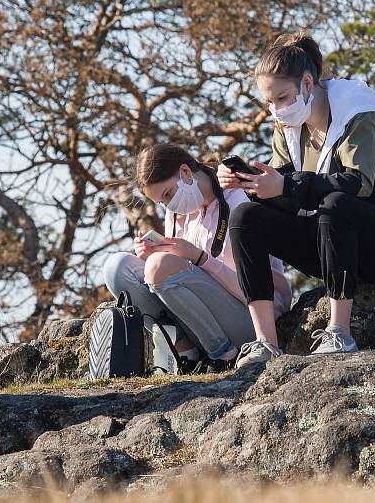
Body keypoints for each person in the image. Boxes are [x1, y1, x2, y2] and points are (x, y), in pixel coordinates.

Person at [218, 31, 375, 368]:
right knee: (246, 216)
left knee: (336, 204)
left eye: (282, 98)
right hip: (338, 246)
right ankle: (265, 343)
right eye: (268, 102)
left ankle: (339, 332)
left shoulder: (358, 112)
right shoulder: (288, 126)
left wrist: (286, 187)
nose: (276, 110)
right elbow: (288, 194)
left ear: (307, 83)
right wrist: (249, 183)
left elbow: (356, 184)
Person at [103, 144, 292, 371]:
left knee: (159, 266)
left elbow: (249, 292)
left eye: (168, 194)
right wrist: (154, 253)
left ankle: (223, 357)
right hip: (200, 322)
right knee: (117, 267)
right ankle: (184, 351)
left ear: (185, 172)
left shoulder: (237, 201)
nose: (169, 205)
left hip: (254, 321)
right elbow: (176, 280)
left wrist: (198, 257)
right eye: (161, 203)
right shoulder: (177, 211)